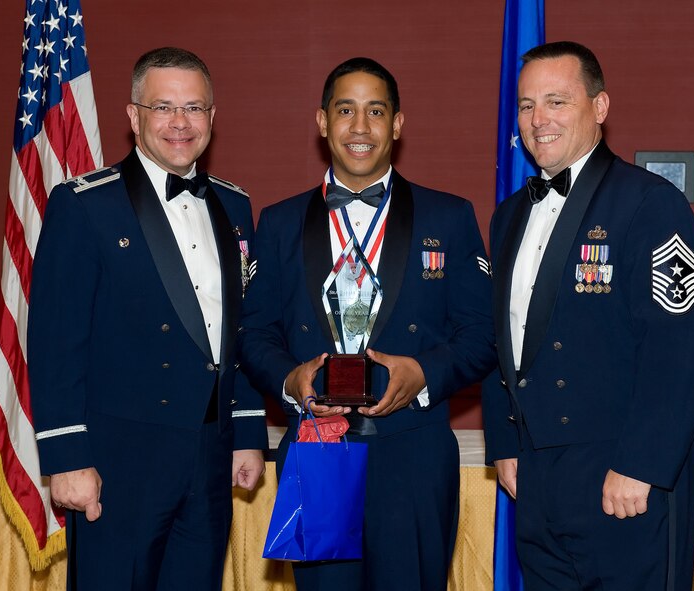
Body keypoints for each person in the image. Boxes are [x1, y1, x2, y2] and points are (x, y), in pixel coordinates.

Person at [237, 57, 496, 591]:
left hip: (414, 455)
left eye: (376, 112)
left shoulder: (449, 217)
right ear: (322, 121)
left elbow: (482, 335)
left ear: (397, 124)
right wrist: (289, 379)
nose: (360, 127)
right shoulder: (279, 222)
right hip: (316, 449)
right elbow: (254, 332)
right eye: (345, 110)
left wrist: (424, 373)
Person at [27, 47, 267, 590]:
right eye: (163, 107)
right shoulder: (84, 205)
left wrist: (248, 430)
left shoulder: (235, 205)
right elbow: (55, 341)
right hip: (119, 460)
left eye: (194, 108)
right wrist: (66, 458)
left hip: (209, 456)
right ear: (134, 117)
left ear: (212, 117)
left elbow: (242, 328)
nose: (180, 122)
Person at [483, 41, 694, 590]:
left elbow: (676, 350)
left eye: (557, 101)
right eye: (527, 105)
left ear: (600, 107)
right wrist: (505, 445)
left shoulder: (650, 203)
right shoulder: (508, 216)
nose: (539, 119)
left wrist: (641, 465)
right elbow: (501, 339)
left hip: (622, 475)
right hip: (536, 477)